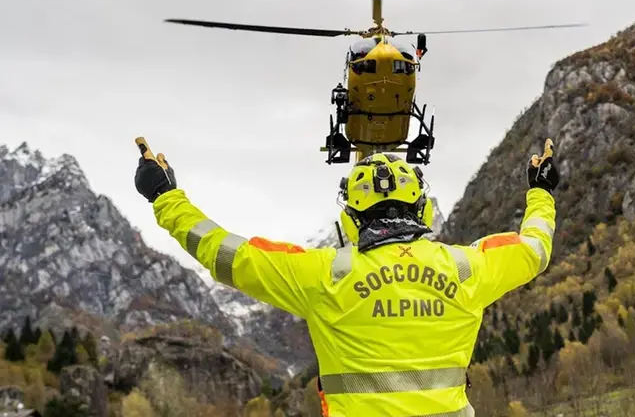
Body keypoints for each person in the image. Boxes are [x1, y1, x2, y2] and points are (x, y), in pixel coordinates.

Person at [133, 138, 559, 417]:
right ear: (424, 211)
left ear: (349, 221)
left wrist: (166, 197)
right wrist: (541, 192)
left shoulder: (322, 273)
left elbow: (226, 253)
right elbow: (535, 249)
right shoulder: (469, 267)